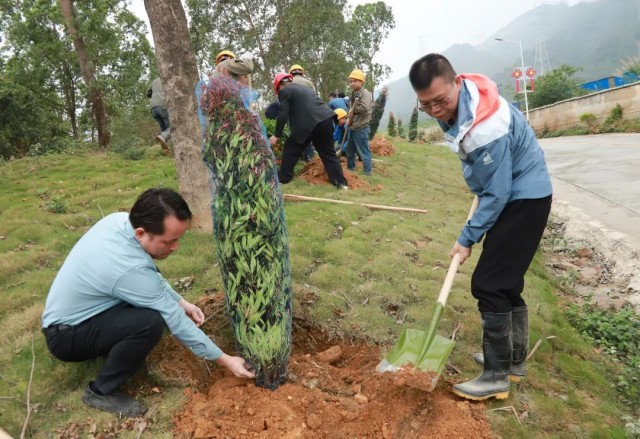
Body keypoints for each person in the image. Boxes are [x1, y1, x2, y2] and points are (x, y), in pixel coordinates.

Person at [408, 53, 552, 401]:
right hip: (519, 194)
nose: (435, 110)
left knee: (489, 283)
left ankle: (496, 376)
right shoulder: (464, 101)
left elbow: (498, 193)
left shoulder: (487, 126)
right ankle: (511, 361)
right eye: (426, 105)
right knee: (507, 282)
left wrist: (467, 238)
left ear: (457, 83)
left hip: (524, 199)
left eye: (440, 101)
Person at [41, 188, 255, 417]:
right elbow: (175, 320)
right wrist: (225, 360)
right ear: (141, 233)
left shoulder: (119, 222)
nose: (176, 247)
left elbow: (150, 277)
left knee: (149, 307)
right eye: (170, 241)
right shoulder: (128, 269)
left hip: (85, 312)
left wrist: (182, 302)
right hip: (66, 336)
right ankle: (101, 391)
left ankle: (113, 346)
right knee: (149, 322)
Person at [269, 73, 348, 189]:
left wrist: (276, 135)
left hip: (307, 124)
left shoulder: (285, 91)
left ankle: (284, 178)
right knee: (328, 153)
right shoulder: (306, 89)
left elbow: (283, 113)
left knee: (290, 148)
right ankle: (341, 183)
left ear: (280, 85)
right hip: (326, 120)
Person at [345, 69, 373, 175]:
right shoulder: (353, 94)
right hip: (353, 126)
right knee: (349, 150)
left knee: (364, 151)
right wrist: (349, 116)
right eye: (351, 81)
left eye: (355, 81)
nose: (353, 83)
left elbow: (365, 108)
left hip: (361, 127)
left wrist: (353, 110)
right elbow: (351, 108)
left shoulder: (365, 94)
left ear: (361, 82)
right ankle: (350, 168)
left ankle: (367, 172)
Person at [289, 64, 316, 161]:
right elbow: (314, 97)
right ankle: (310, 158)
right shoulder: (309, 83)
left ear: (291, 73)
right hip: (309, 113)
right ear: (302, 73)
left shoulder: (289, 83)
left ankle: (297, 158)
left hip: (295, 114)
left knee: (296, 135)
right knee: (308, 135)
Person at [146, 78, 171, 155]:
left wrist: (155, 96)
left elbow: (148, 93)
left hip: (153, 108)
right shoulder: (169, 78)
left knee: (165, 131)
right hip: (162, 105)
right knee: (172, 128)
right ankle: (163, 138)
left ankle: (166, 151)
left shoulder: (155, 81)